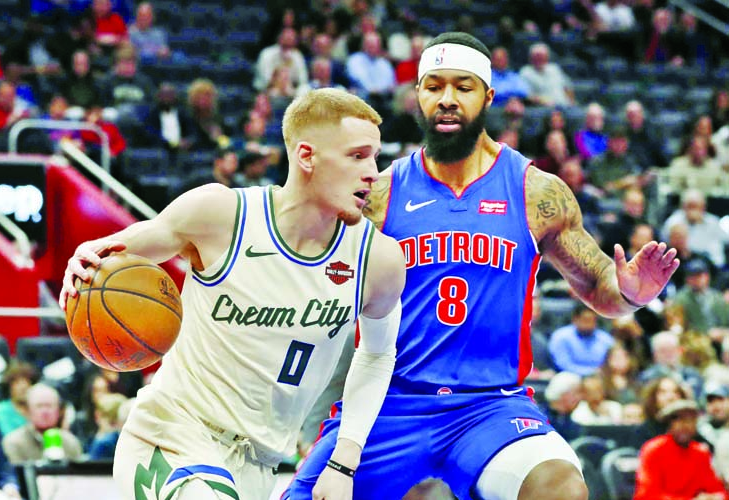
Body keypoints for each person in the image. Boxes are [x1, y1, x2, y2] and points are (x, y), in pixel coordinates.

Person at [285, 31, 679, 500]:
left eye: (463, 87)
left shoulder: (537, 193)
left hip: (491, 408)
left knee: (561, 489)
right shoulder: (380, 193)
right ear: (418, 95)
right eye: (433, 86)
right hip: (389, 403)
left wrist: (633, 293)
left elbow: (601, 287)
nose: (447, 99)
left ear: (488, 95)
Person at [58, 88, 406, 500]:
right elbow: (111, 254)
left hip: (259, 467)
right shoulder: (222, 214)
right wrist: (84, 262)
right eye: (357, 156)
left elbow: (379, 354)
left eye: (375, 157)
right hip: (172, 434)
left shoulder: (378, 260)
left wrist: (343, 462)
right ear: (306, 156)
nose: (373, 172)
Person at [634, 399, 729, 500]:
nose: (685, 425)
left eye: (691, 420)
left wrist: (716, 497)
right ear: (669, 424)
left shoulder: (700, 452)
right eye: (678, 419)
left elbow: (716, 489)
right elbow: (646, 495)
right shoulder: (654, 449)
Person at [1, 383, 83, 464]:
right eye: (39, 406)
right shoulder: (14, 443)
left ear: (59, 411)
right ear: (28, 410)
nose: (45, 412)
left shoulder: (71, 442)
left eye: (49, 406)